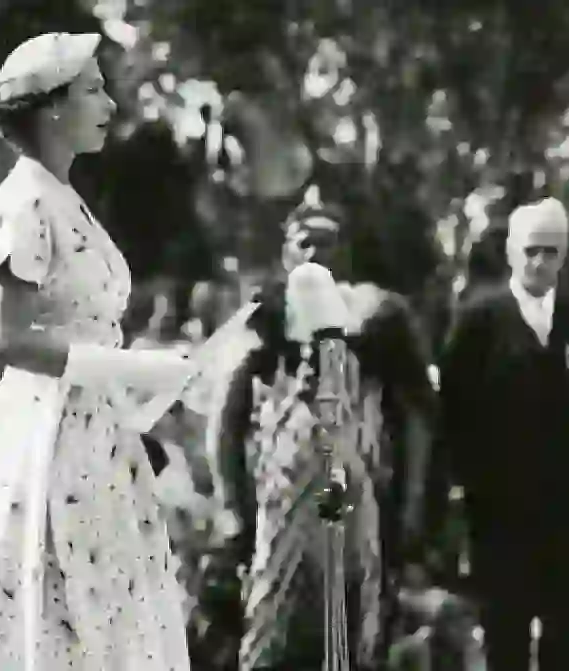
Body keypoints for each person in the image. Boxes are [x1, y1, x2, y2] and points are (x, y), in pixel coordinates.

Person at [0, 32, 195, 670]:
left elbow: (79, 325)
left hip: (93, 435)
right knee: (54, 614)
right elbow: (9, 340)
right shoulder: (27, 200)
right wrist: (132, 367)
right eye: (93, 89)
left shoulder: (65, 198)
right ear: (52, 107)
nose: (110, 104)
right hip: (49, 438)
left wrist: (148, 376)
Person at [210, 205, 436, 670]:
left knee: (357, 635)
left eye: (327, 241)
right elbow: (225, 420)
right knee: (273, 633)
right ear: (286, 253)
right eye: (304, 242)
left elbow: (418, 418)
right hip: (285, 503)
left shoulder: (380, 313)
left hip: (362, 502)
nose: (316, 252)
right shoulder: (267, 313)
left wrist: (414, 505)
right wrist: (233, 509)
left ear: (347, 251)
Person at [433, 197, 569, 671]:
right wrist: (461, 488)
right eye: (531, 250)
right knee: (505, 632)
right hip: (499, 512)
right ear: (512, 252)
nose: (540, 262)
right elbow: (451, 412)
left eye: (551, 252)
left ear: (564, 256)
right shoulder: (478, 320)